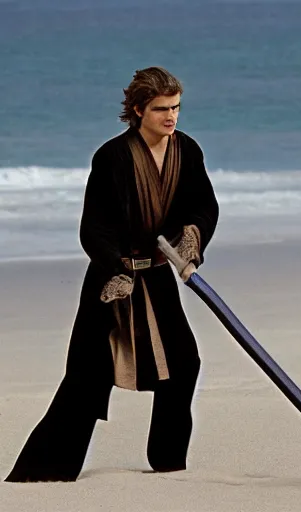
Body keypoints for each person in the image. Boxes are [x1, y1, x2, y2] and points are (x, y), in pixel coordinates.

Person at [5, 67, 219, 482]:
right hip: (112, 280)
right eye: (161, 109)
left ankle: (168, 462)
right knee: (87, 378)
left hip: (157, 277)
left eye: (175, 107)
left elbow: (202, 204)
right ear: (138, 110)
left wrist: (192, 237)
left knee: (184, 364)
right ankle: (44, 470)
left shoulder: (187, 151)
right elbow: (93, 227)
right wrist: (115, 268)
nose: (171, 117)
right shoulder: (112, 157)